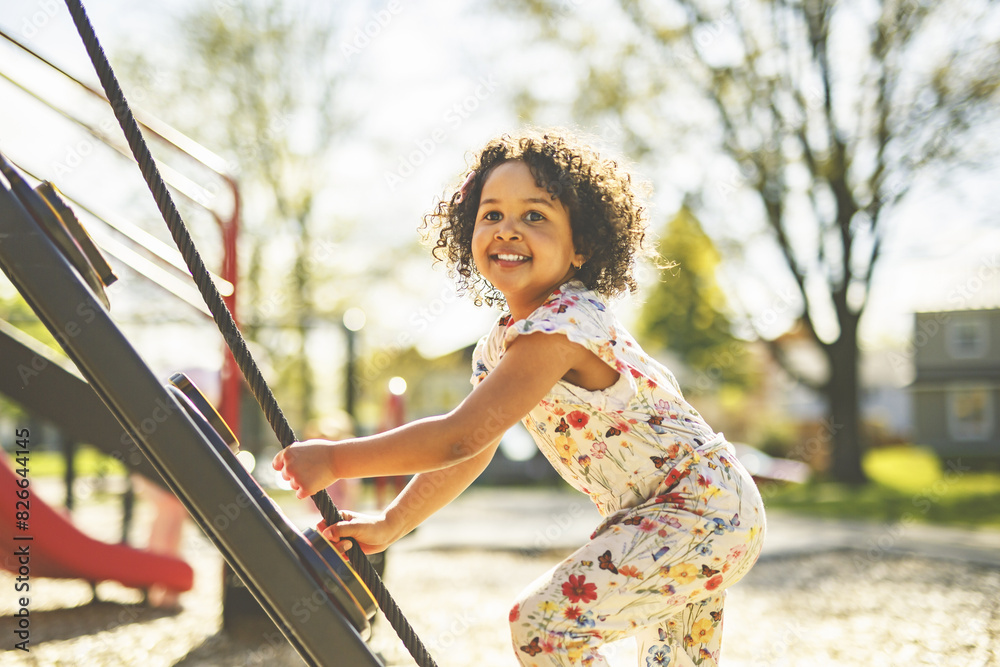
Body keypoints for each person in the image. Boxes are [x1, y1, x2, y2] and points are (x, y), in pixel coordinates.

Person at [273, 129, 766, 666]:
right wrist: (394, 521)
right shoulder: (502, 346)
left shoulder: (565, 325)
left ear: (581, 246)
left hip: (697, 506)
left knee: (545, 625)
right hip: (683, 512)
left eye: (535, 215)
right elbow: (472, 452)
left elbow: (458, 437)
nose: (508, 229)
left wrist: (337, 459)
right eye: (492, 215)